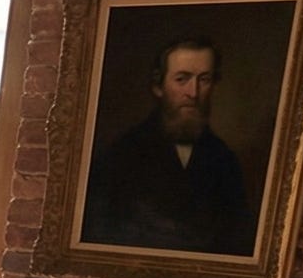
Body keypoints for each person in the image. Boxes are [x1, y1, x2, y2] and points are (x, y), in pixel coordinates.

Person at [80, 37, 255, 255]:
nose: (193, 92)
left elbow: (238, 240)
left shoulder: (224, 160)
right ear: (158, 86)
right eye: (182, 79)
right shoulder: (122, 154)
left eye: (204, 80)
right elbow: (100, 233)